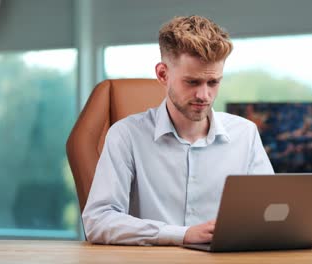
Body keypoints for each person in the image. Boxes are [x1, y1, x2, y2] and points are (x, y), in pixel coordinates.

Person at [82, 15, 274, 246]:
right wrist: (182, 234)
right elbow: (98, 221)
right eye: (192, 82)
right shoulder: (126, 135)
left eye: (213, 83)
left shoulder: (245, 134)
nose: (204, 95)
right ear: (163, 74)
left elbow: (268, 215)